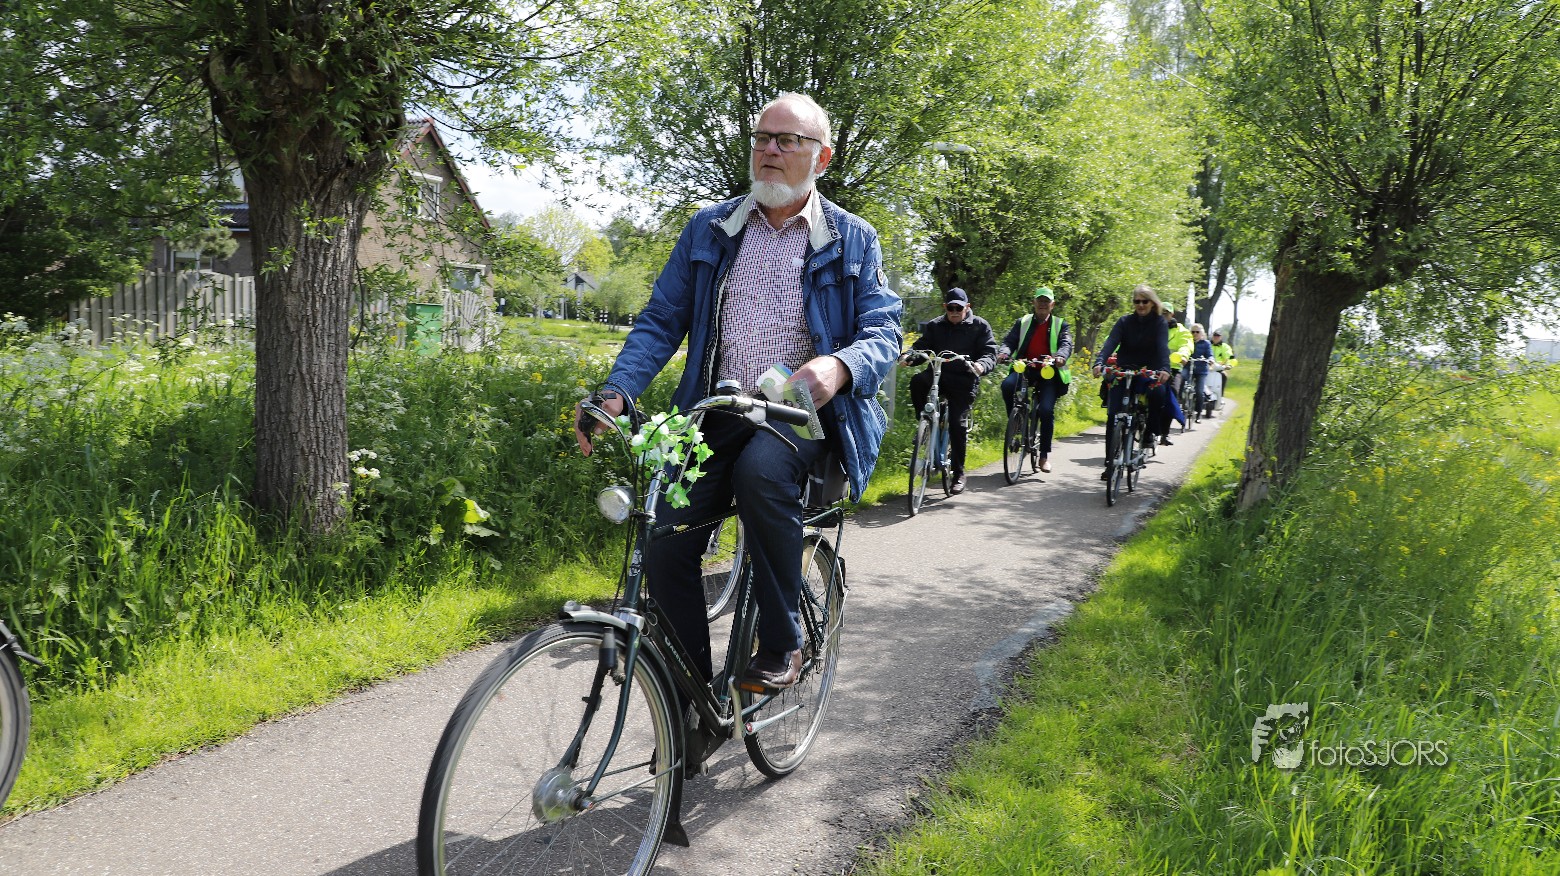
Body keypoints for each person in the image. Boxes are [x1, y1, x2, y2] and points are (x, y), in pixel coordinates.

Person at [573, 93, 903, 692]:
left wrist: (838, 366)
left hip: (798, 415)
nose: (770, 149)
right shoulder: (710, 228)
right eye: (762, 138)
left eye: (788, 140)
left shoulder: (853, 238)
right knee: (663, 536)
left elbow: (884, 332)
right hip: (718, 410)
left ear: (822, 157)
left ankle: (782, 641)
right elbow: (662, 319)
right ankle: (689, 704)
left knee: (761, 472)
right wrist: (618, 390)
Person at [902, 287, 997, 494]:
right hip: (938, 375)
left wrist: (981, 365)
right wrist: (909, 356)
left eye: (958, 308)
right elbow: (922, 347)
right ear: (945, 307)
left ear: (967, 307)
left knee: (956, 423)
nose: (954, 312)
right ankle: (924, 425)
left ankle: (958, 473)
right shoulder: (935, 325)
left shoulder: (980, 326)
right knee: (918, 381)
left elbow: (990, 353)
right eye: (950, 308)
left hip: (963, 381)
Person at [1091, 284, 1171, 480]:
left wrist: (1165, 368)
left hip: (1150, 369)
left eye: (1145, 301)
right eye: (1137, 301)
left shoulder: (1159, 323)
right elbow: (1111, 342)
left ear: (1152, 303)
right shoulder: (1124, 321)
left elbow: (1162, 347)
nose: (1141, 305)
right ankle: (1110, 464)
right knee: (1113, 415)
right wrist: (1099, 362)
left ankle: (1149, 433)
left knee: (1158, 394)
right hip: (1125, 369)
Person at [995, 286, 1073, 473]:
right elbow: (1009, 341)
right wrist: (1004, 353)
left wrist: (1060, 357)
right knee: (1007, 386)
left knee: (1045, 410)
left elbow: (1066, 344)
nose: (1043, 304)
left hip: (1048, 372)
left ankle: (1043, 456)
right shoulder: (1022, 322)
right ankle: (1017, 424)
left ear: (1052, 305)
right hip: (1025, 368)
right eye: (1040, 301)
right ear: (1034, 303)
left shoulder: (1060, 324)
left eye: (1046, 301)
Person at [1159, 309, 1194, 445]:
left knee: (1172, 394)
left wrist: (1183, 355)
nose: (1163, 315)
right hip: (1153, 366)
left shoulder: (1181, 330)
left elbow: (1186, 344)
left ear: (1171, 315)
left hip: (1173, 368)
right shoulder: (1150, 325)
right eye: (1160, 313)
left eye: (1166, 313)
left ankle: (1164, 434)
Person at [1187, 323, 1214, 421]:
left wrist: (1210, 359)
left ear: (1202, 333)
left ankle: (1198, 413)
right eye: (1193, 332)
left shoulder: (1206, 343)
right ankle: (1182, 405)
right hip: (1188, 368)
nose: (1195, 334)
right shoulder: (1187, 342)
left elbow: (1210, 354)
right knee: (1181, 382)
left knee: (1199, 391)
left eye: (1197, 332)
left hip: (1201, 370)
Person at [1209, 330, 1237, 410]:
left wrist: (1230, 364)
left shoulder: (1225, 347)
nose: (1216, 337)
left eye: (1218, 336)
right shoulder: (1208, 344)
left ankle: (1220, 396)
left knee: (1224, 376)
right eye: (1215, 336)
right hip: (1207, 368)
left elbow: (1230, 356)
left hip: (1219, 368)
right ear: (1212, 336)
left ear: (1221, 337)